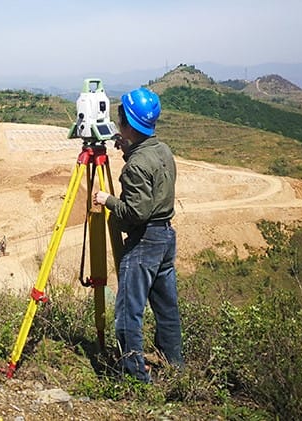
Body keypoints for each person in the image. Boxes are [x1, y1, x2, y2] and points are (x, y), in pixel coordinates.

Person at [93, 87, 182, 383]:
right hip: (166, 237)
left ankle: (134, 377)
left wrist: (108, 200)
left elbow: (135, 213)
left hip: (144, 241)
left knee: (128, 312)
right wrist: (127, 145)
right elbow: (148, 171)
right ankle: (174, 367)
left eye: (121, 121)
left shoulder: (136, 167)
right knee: (166, 309)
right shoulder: (163, 150)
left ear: (128, 124)